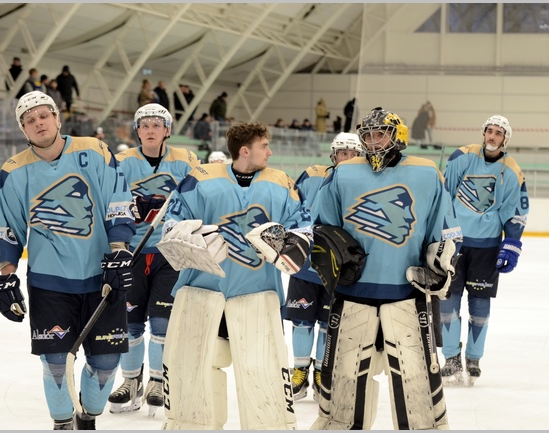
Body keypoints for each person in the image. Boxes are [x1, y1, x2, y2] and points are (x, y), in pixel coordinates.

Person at [0, 91, 136, 429]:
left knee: (106, 363)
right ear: (23, 130)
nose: (38, 123)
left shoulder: (94, 150)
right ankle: (62, 423)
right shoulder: (14, 171)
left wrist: (119, 251)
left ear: (57, 118)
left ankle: (88, 416)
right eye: (30, 120)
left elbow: (118, 201)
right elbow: (8, 229)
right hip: (49, 281)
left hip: (102, 277)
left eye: (44, 115)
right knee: (55, 363)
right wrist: (6, 277)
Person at [310, 107, 461, 430]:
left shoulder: (426, 172)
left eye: (380, 134)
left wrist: (441, 264)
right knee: (344, 381)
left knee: (416, 382)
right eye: (367, 136)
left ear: (397, 135)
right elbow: (323, 227)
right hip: (353, 293)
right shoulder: (344, 172)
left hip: (406, 293)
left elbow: (445, 230)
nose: (373, 142)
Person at [158, 120, 313, 429]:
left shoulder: (281, 183)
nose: (269, 151)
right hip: (202, 295)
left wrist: (290, 243)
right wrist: (191, 236)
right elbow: (171, 223)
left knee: (263, 375)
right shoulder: (200, 179)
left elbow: (304, 226)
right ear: (245, 151)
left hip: (257, 295)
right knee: (194, 372)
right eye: (263, 146)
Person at [108, 103, 201, 417]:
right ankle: (130, 380)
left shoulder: (185, 161)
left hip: (169, 252)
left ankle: (157, 381)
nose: (150, 130)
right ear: (137, 130)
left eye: (156, 125)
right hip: (132, 252)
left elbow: (197, 200)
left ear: (167, 130)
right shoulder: (122, 162)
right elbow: (109, 201)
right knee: (130, 322)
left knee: (162, 322)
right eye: (144, 125)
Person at [439, 114, 529, 387]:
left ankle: (473, 358)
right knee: (448, 302)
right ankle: (451, 357)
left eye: (498, 133)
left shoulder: (511, 171)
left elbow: (515, 209)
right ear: (483, 133)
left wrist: (511, 243)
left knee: (480, 306)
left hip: (487, 247)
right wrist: (438, 233)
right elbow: (444, 195)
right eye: (489, 131)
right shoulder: (462, 157)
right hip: (455, 243)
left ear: (505, 139)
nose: (492, 136)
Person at [284, 132, 363, 402]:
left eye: (353, 154)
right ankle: (299, 371)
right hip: (307, 262)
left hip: (338, 267)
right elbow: (293, 208)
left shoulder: (364, 183)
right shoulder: (313, 175)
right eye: (343, 153)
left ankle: (321, 372)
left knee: (328, 323)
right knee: (301, 320)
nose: (348, 158)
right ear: (333, 154)